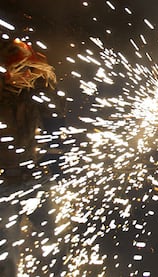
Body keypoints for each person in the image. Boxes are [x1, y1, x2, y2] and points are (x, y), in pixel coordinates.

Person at [0, 39, 63, 276]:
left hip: (35, 178)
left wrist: (48, 83)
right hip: (4, 186)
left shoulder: (33, 95)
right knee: (7, 256)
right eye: (22, 69)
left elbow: (56, 113)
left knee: (53, 242)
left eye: (31, 69)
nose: (28, 75)